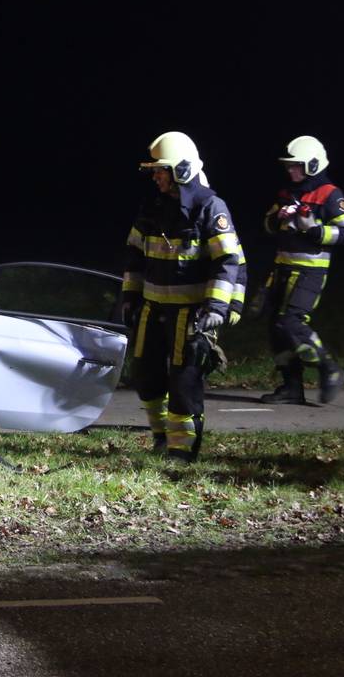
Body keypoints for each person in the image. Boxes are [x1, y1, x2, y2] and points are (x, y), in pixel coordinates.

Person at [121, 131, 245, 463]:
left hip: (191, 315)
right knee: (145, 376)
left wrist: (218, 306)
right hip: (152, 308)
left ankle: (182, 450)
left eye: (161, 169)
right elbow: (134, 254)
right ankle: (161, 437)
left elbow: (228, 260)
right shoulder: (152, 208)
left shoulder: (210, 208)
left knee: (184, 383)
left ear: (182, 169)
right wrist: (129, 298)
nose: (156, 176)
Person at [258, 136, 344, 405]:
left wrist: (314, 230)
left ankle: (328, 368)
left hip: (310, 272)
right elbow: (266, 226)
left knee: (290, 323)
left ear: (312, 164)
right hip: (282, 270)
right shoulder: (287, 192)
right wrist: (276, 219)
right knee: (275, 329)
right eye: (289, 166)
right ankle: (291, 386)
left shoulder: (330, 194)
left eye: (296, 166)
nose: (291, 171)